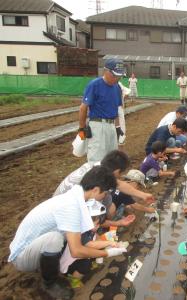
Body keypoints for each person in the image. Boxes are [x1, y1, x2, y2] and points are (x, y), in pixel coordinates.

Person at [8, 166, 126, 300]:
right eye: (104, 193)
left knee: (63, 239)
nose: (104, 197)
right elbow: (77, 251)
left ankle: (51, 267)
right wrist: (107, 252)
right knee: (55, 239)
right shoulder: (71, 206)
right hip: (21, 257)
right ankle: (49, 284)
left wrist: (106, 243)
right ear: (95, 190)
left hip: (35, 246)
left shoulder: (76, 197)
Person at [54, 150, 155, 226]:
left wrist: (143, 195)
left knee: (107, 199)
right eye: (121, 173)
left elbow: (119, 184)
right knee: (101, 208)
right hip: (62, 214)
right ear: (117, 171)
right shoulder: (96, 179)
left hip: (58, 202)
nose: (120, 177)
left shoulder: (98, 166)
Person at [78, 58, 126, 163]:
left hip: (111, 126)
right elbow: (83, 107)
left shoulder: (117, 87)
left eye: (119, 76)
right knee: (96, 159)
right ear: (106, 71)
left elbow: (116, 109)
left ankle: (108, 179)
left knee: (111, 158)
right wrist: (82, 128)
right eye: (114, 75)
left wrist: (118, 127)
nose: (117, 78)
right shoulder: (95, 85)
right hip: (98, 125)